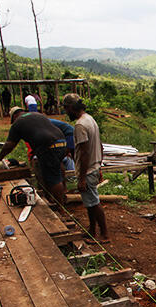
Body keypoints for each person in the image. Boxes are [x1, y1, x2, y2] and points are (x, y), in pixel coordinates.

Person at [0, 106, 67, 206]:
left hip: (48, 146)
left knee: (53, 178)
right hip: (62, 142)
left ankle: (61, 206)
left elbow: (9, 145)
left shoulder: (17, 123)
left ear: (14, 116)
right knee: (57, 167)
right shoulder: (37, 115)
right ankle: (61, 195)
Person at [62, 93, 109, 243]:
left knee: (94, 203)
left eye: (65, 109)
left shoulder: (80, 125)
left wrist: (82, 178)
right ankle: (92, 230)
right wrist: (99, 166)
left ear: (70, 107)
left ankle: (104, 234)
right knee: (89, 202)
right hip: (93, 167)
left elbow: (84, 152)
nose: (65, 112)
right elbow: (99, 146)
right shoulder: (90, 119)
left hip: (87, 170)